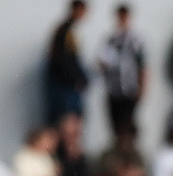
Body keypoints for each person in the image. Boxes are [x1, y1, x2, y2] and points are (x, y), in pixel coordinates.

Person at [99, 3, 147, 138]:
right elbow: (102, 64)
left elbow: (143, 65)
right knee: (115, 125)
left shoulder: (136, 40)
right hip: (114, 90)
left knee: (129, 124)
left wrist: (143, 88)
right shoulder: (111, 40)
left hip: (130, 89)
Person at [45, 0, 89, 125]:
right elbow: (63, 58)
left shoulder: (70, 29)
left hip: (64, 82)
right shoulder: (65, 30)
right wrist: (76, 79)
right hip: (63, 84)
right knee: (65, 119)